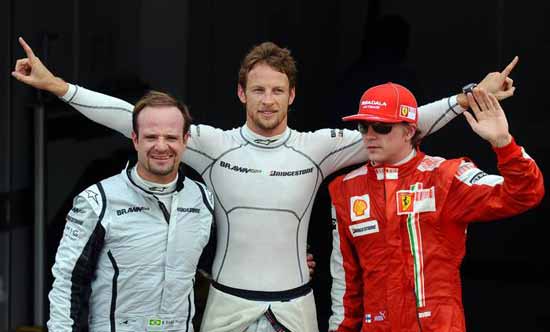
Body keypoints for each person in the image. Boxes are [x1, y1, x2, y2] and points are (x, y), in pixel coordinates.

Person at [13, 37, 517, 332]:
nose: (268, 100)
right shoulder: (209, 144)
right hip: (225, 305)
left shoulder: (319, 147)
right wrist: (58, 86)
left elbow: (403, 124)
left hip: (297, 304)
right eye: (258, 89)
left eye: (278, 90)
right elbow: (136, 118)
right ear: (241, 92)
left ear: (292, 95)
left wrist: (471, 96)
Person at [328, 83, 544, 331]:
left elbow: (525, 193)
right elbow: (345, 281)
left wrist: (504, 143)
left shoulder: (446, 176)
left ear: (409, 131)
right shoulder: (344, 189)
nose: (369, 135)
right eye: (363, 127)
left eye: (381, 127)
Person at [47, 91, 214, 332]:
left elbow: (220, 268)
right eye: (151, 137)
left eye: (171, 137)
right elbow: (67, 280)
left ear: (185, 139)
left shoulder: (202, 198)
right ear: (135, 139)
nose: (161, 146)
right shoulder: (98, 200)